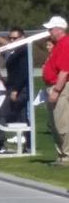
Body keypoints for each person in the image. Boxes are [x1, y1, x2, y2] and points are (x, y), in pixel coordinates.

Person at [41, 16, 69, 165]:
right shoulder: (58, 44)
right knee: (55, 123)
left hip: (61, 87)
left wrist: (56, 90)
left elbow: (64, 71)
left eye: (51, 29)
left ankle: (67, 155)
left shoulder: (65, 43)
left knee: (62, 122)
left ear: (59, 29)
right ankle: (62, 155)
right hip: (54, 85)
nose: (49, 31)